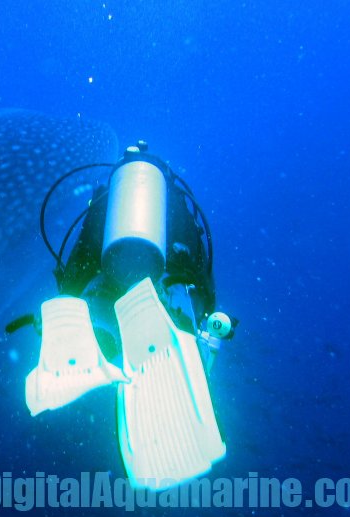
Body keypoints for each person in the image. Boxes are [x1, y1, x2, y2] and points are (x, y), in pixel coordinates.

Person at [22, 142, 236, 490]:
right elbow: (199, 269)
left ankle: (101, 346)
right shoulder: (175, 204)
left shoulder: (105, 203)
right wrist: (207, 317)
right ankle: (159, 353)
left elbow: (77, 258)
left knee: (100, 310)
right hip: (164, 282)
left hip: (105, 278)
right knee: (175, 317)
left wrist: (66, 301)